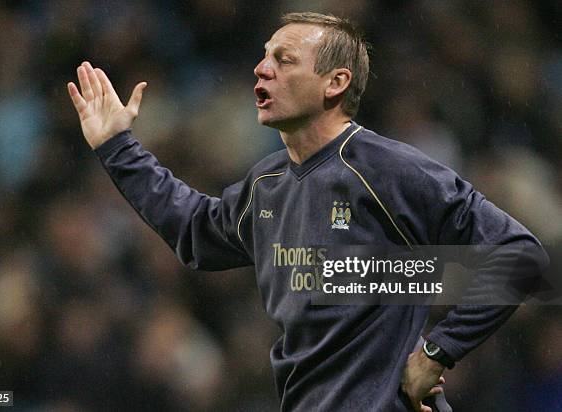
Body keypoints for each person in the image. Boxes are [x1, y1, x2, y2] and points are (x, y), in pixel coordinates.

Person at [67, 12, 547, 412]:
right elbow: (193, 228)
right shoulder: (266, 185)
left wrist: (437, 353)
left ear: (335, 83)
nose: (260, 69)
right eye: (263, 56)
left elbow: (517, 256)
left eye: (284, 59)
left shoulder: (387, 170)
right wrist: (116, 147)